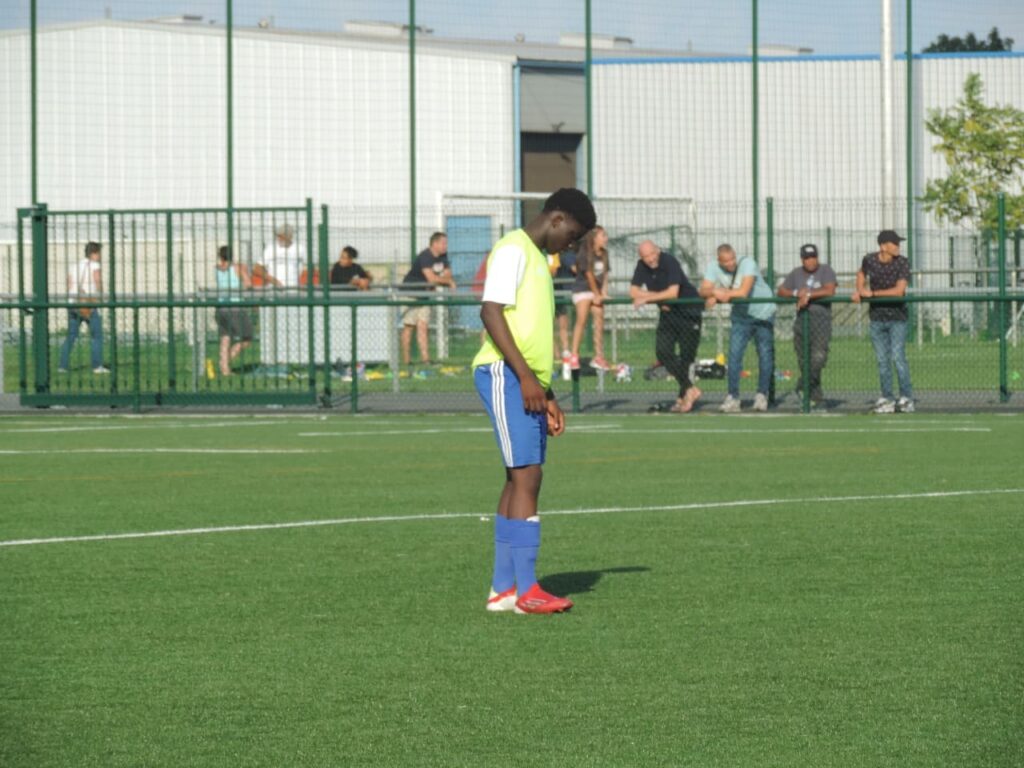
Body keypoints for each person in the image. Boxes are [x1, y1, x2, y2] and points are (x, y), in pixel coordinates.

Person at [473, 187, 596, 615]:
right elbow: (490, 312)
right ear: (556, 219)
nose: (572, 245)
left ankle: (503, 590)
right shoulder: (514, 249)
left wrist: (547, 393)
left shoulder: (538, 259)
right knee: (528, 475)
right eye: (573, 235)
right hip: (505, 373)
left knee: (517, 478)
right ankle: (527, 590)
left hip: (525, 380)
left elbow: (530, 332)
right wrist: (526, 378)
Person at [699, 243, 776, 412]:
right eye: (726, 261)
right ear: (719, 261)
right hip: (741, 317)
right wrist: (715, 292)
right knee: (734, 355)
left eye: (732, 258)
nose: (731, 263)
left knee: (764, 354)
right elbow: (703, 290)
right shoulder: (713, 267)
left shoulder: (747, 263)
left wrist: (720, 294)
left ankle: (762, 395)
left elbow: (743, 292)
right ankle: (733, 397)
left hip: (763, 313)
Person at [630, 240, 704, 413]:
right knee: (663, 352)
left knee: (686, 358)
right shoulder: (641, 266)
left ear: (658, 250)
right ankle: (690, 389)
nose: (650, 259)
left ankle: (682, 398)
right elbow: (633, 291)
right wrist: (658, 297)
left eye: (652, 254)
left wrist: (647, 298)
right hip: (668, 313)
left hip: (689, 312)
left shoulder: (669, 261)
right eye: (646, 256)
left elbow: (673, 293)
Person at [852, 229, 914, 413]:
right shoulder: (869, 260)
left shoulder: (902, 262)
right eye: (895, 243)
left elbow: (899, 291)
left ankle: (906, 398)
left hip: (897, 319)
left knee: (898, 357)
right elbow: (861, 273)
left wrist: (872, 294)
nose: (898, 246)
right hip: (877, 319)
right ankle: (887, 398)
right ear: (883, 246)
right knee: (882, 360)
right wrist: (859, 290)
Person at [777, 244, 837, 407]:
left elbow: (830, 290)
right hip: (801, 320)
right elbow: (781, 291)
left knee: (818, 357)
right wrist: (796, 293)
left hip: (820, 320)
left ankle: (802, 385)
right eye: (807, 258)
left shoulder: (825, 270)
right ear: (802, 259)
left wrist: (808, 295)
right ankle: (815, 398)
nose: (811, 261)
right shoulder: (796, 273)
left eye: (813, 257)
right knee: (804, 361)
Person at [400, 232, 455, 366]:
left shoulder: (443, 257)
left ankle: (426, 359)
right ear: (434, 243)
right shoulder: (425, 256)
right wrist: (447, 282)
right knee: (409, 326)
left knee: (423, 326)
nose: (446, 246)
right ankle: (407, 361)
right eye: (443, 243)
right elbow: (431, 278)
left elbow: (448, 274)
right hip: (410, 294)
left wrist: (443, 279)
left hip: (425, 295)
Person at [58, 242, 108, 374]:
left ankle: (62, 366)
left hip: (73, 303)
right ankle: (97, 366)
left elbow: (69, 284)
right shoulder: (94, 265)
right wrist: (101, 295)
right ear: (94, 253)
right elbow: (97, 281)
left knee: (71, 335)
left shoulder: (75, 266)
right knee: (96, 335)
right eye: (98, 253)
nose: (100, 256)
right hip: (88, 304)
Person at [568, 225, 611, 370]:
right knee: (582, 319)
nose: (606, 239)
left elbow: (605, 275)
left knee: (599, 316)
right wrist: (596, 294)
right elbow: (589, 275)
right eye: (603, 236)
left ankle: (598, 356)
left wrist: (603, 293)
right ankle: (574, 355)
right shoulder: (585, 253)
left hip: (596, 291)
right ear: (594, 238)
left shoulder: (604, 254)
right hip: (582, 289)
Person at [214, 246, 254, 376]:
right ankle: (224, 362)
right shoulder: (238, 267)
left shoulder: (216, 268)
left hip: (221, 307)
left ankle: (225, 370)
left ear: (220, 256)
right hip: (235, 308)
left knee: (225, 338)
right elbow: (248, 284)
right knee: (247, 338)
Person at [548, 250, 574, 376]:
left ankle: (565, 352)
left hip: (557, 292)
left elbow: (554, 271)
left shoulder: (554, 255)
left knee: (563, 324)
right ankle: (555, 354)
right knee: (548, 327)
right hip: (546, 294)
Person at [259, 223, 305, 288]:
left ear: (289, 236)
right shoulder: (271, 248)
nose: (279, 238)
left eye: (281, 236)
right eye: (278, 236)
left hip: (293, 287)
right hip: (273, 288)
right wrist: (272, 280)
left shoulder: (300, 249)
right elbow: (258, 268)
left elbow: (307, 267)